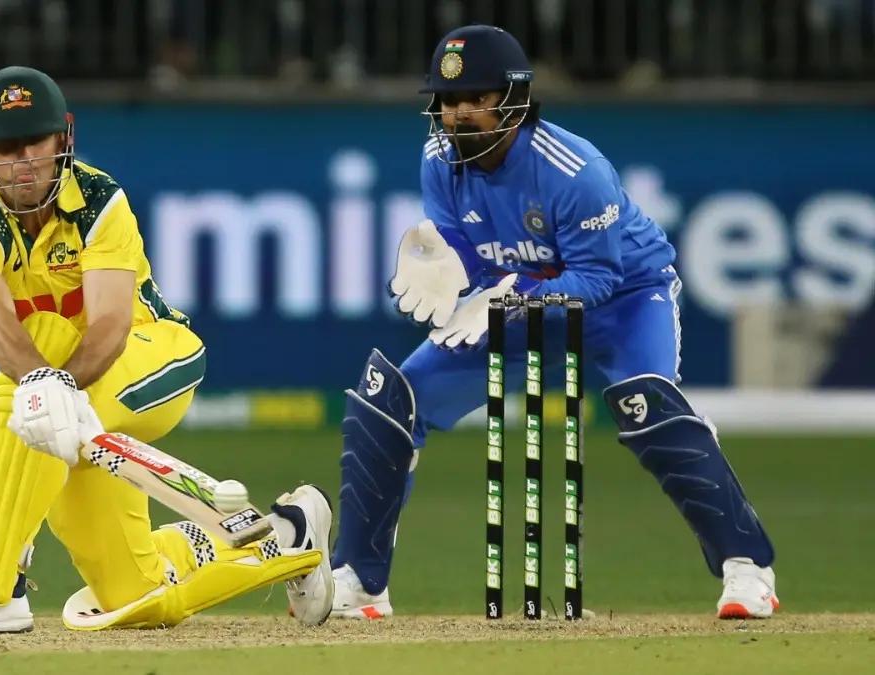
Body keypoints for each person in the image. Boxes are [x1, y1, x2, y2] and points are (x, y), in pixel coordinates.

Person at [327, 25, 778, 621]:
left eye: (476, 100)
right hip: (516, 299)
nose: (459, 114)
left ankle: (748, 569)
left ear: (512, 100)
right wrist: (448, 268)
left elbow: (597, 279)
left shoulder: (573, 171)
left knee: (647, 406)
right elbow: (463, 241)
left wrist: (509, 299)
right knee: (388, 402)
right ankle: (359, 582)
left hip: (622, 299)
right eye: (448, 100)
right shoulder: (438, 156)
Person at [0, 66, 334, 634]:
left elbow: (110, 326)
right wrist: (45, 387)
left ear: (63, 141)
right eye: (5, 148)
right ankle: (289, 534)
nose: (21, 162)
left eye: (35, 144)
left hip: (154, 359)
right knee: (137, 598)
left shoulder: (100, 202)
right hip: (68, 404)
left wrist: (52, 386)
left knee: (40, 358)